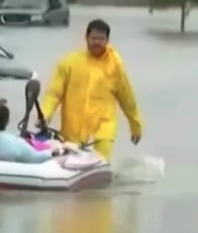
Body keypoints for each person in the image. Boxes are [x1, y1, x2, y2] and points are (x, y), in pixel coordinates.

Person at [37, 19, 142, 161]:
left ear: (107, 40)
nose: (97, 42)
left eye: (101, 39)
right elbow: (54, 93)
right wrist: (45, 115)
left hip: (103, 130)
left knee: (100, 162)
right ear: (86, 38)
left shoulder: (115, 68)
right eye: (94, 38)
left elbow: (127, 100)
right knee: (71, 164)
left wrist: (136, 126)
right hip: (72, 129)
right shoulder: (69, 63)